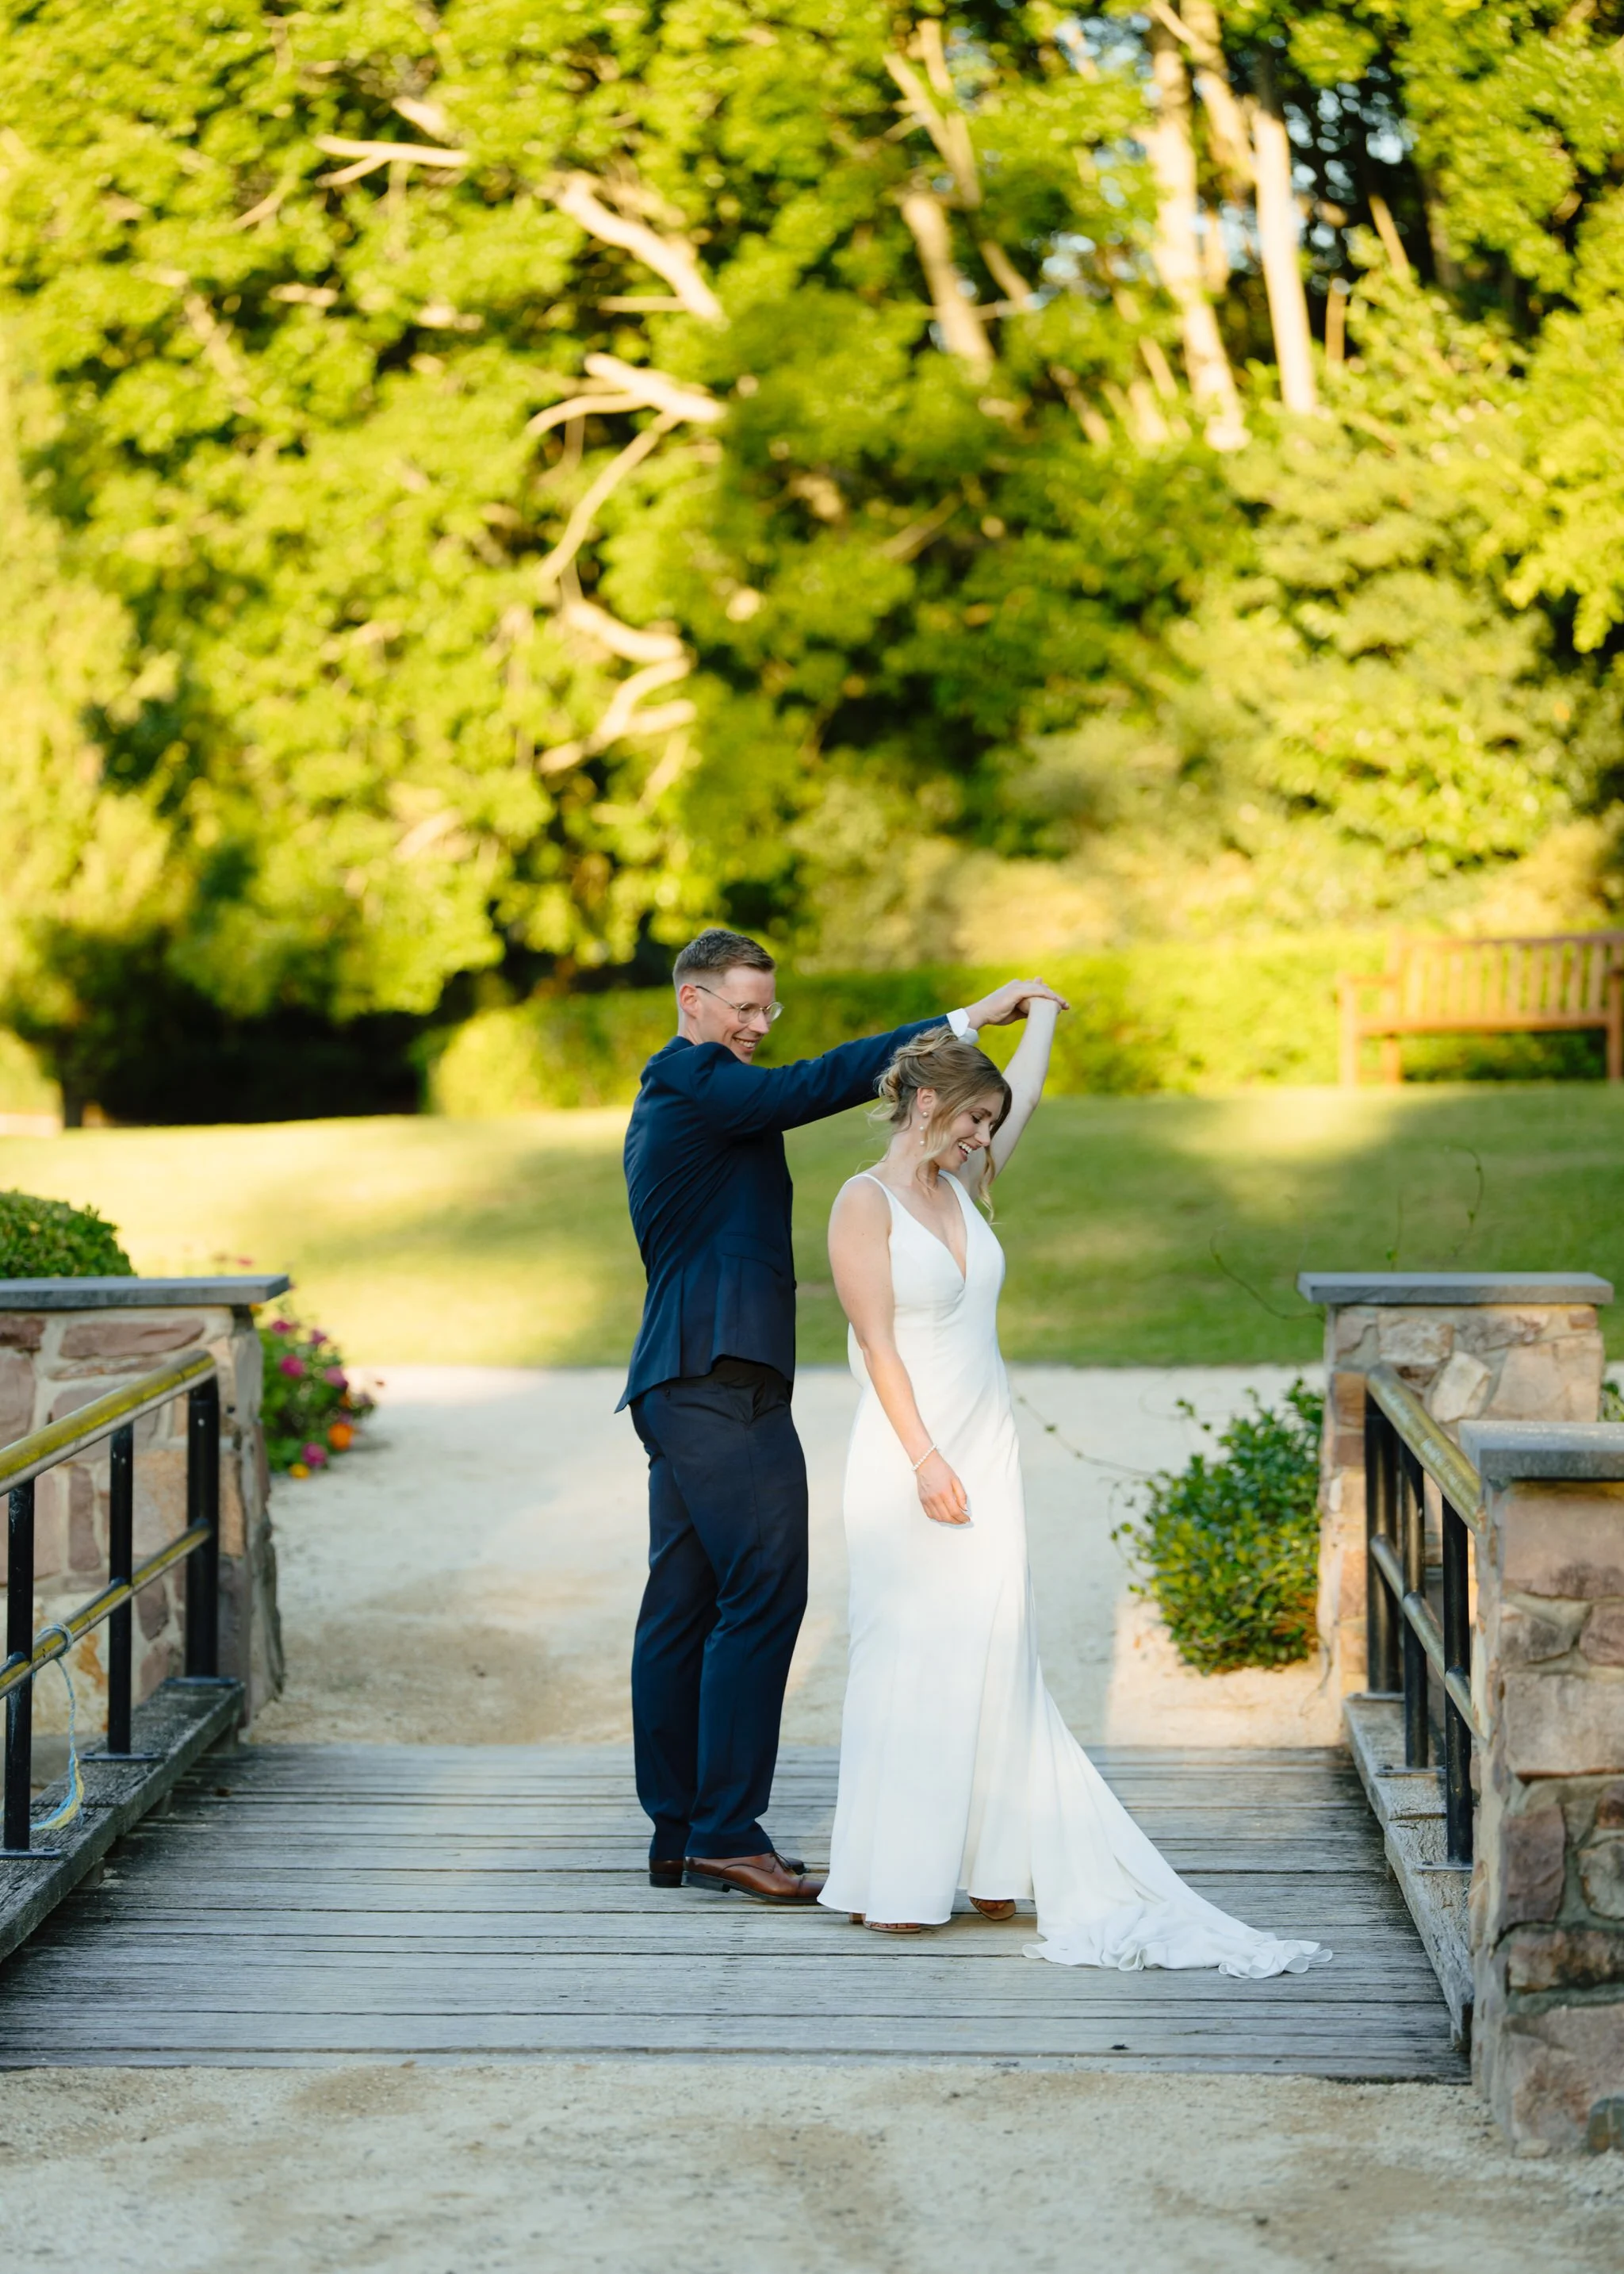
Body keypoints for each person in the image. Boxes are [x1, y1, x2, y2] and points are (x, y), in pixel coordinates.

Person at [821, 1003, 1331, 1975]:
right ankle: (900, 1876)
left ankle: (993, 1857)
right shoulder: (863, 1202)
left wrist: (1045, 1015)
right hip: (907, 1457)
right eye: (973, 1119)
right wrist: (925, 1458)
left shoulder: (953, 1180)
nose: (983, 1138)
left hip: (988, 1446)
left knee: (995, 1644)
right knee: (911, 1651)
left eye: (986, 1124)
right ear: (925, 1103)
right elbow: (877, 1343)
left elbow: (1025, 1099)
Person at [620, 926, 1067, 1903]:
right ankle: (725, 1831)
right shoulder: (691, 1079)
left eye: (766, 1008)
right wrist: (960, 1019)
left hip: (689, 1378)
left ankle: (681, 1832)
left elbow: (791, 1093)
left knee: (684, 1602)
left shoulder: (696, 1097)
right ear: (691, 999)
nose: (756, 1024)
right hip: (715, 1376)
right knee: (764, 1592)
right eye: (741, 1006)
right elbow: (805, 1088)